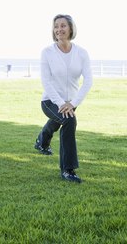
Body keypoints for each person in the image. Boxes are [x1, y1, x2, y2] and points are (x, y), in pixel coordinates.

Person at [34, 14, 93, 183]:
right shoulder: (47, 52)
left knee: (58, 120)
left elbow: (88, 80)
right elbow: (46, 82)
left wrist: (73, 104)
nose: (59, 29)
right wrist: (62, 103)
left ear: (71, 28)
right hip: (50, 101)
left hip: (71, 102)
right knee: (68, 120)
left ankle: (41, 142)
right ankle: (68, 169)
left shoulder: (81, 53)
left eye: (63, 26)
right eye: (56, 26)